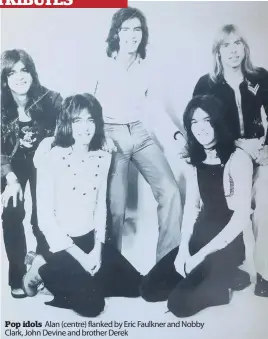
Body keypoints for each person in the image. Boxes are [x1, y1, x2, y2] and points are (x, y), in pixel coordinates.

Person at [22, 94, 142, 317]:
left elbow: (99, 207)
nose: (85, 127)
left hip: (88, 239)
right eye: (77, 121)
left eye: (90, 120)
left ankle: (80, 280)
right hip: (59, 245)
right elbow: (46, 220)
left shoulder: (103, 156)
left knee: (137, 287)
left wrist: (96, 250)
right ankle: (42, 270)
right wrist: (82, 258)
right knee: (92, 305)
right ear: (67, 123)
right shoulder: (51, 156)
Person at [140, 95, 253, 317]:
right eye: (194, 122)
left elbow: (240, 218)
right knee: (148, 289)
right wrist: (183, 249)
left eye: (206, 120)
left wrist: (200, 256)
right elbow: (192, 207)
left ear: (218, 121)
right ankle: (223, 277)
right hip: (199, 239)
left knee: (178, 305)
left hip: (226, 246)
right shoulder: (196, 158)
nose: (200, 128)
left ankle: (221, 283)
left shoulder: (238, 158)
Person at [93, 7, 182, 262]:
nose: (132, 35)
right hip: (110, 134)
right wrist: (100, 137)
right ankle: (110, 269)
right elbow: (88, 105)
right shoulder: (102, 64)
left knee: (171, 192)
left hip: (140, 133)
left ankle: (167, 265)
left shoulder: (146, 68)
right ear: (116, 34)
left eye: (137, 29)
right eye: (126, 29)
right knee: (115, 208)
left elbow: (155, 109)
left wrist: (177, 136)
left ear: (143, 34)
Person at [193, 24, 268, 297]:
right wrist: (239, 145)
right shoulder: (207, 83)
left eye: (238, 43)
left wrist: (264, 146)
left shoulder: (260, 77)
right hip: (228, 157)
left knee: (264, 203)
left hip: (261, 152)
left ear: (245, 48)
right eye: (226, 45)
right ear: (217, 52)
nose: (234, 50)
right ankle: (222, 267)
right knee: (229, 207)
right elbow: (199, 126)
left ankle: (264, 273)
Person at [1, 49, 62, 298]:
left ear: (32, 73)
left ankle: (40, 271)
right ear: (4, 78)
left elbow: (69, 126)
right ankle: (17, 275)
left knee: (42, 218)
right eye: (12, 72)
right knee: (12, 212)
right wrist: (10, 179)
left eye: (24, 70)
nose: (19, 76)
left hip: (43, 162)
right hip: (9, 165)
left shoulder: (52, 99)